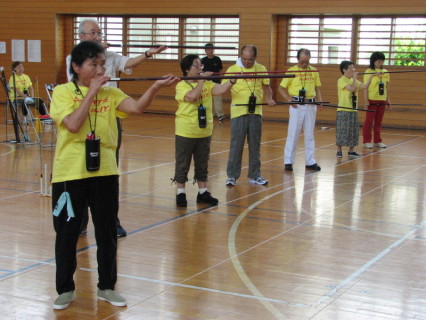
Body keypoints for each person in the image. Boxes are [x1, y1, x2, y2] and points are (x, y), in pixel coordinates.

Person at [50, 41, 178, 310]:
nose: (100, 68)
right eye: (93, 64)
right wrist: (91, 93)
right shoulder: (62, 92)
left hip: (105, 172)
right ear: (76, 67)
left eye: (101, 63)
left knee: (107, 232)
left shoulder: (110, 94)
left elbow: (137, 108)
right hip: (69, 174)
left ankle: (106, 287)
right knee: (67, 234)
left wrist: (155, 87)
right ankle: (65, 289)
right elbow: (73, 125)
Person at [66, 19, 167, 237]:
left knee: (109, 171)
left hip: (109, 116)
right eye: (93, 33)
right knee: (81, 174)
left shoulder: (109, 56)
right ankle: (80, 221)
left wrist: (148, 54)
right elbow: (78, 87)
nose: (97, 36)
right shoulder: (73, 60)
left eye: (99, 32)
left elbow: (129, 64)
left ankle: (112, 220)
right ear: (82, 36)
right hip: (84, 117)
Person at [174, 54, 234, 207]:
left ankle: (203, 193)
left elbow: (220, 90)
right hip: (186, 131)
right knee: (183, 164)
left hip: (204, 131)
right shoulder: (181, 85)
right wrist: (202, 80)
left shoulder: (207, 84)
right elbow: (192, 97)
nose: (200, 67)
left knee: (202, 164)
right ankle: (180, 194)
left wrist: (232, 80)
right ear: (187, 70)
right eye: (196, 65)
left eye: (200, 64)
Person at [223, 45, 275, 186]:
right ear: (240, 56)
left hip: (255, 112)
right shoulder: (232, 69)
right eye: (244, 59)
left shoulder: (261, 69)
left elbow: (266, 87)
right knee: (236, 145)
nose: (247, 62)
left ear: (255, 58)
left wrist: (269, 98)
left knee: (255, 145)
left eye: (250, 60)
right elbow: (224, 87)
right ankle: (232, 176)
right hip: (238, 112)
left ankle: (255, 175)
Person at [279, 48, 323, 172]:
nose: (304, 64)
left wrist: (319, 101)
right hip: (296, 105)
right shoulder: (291, 71)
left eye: (306, 62)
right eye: (302, 61)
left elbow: (317, 88)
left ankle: (310, 161)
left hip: (310, 103)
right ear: (297, 59)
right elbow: (281, 88)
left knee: (309, 133)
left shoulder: (314, 71)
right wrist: (288, 98)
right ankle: (288, 161)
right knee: (293, 133)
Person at [336, 61, 375, 158]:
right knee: (342, 130)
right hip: (343, 109)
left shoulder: (354, 80)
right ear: (344, 70)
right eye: (351, 68)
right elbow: (353, 89)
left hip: (353, 110)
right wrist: (355, 78)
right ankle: (339, 150)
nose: (353, 70)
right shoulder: (341, 80)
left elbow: (365, 86)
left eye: (353, 68)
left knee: (353, 131)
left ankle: (351, 150)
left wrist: (372, 77)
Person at [362, 52, 391, 149]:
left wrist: (388, 99)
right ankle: (366, 141)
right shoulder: (368, 71)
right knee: (369, 121)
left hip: (382, 99)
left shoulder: (385, 72)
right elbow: (365, 87)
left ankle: (377, 140)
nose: (380, 62)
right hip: (372, 99)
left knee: (379, 121)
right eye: (378, 60)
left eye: (382, 60)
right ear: (373, 61)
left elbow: (387, 86)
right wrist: (366, 100)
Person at [201, 43, 225, 121]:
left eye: (211, 49)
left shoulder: (217, 59)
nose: (210, 51)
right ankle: (210, 114)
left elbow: (220, 70)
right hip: (206, 82)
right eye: (208, 49)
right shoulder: (203, 60)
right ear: (205, 51)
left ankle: (220, 115)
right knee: (207, 98)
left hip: (216, 81)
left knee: (217, 98)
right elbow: (201, 72)